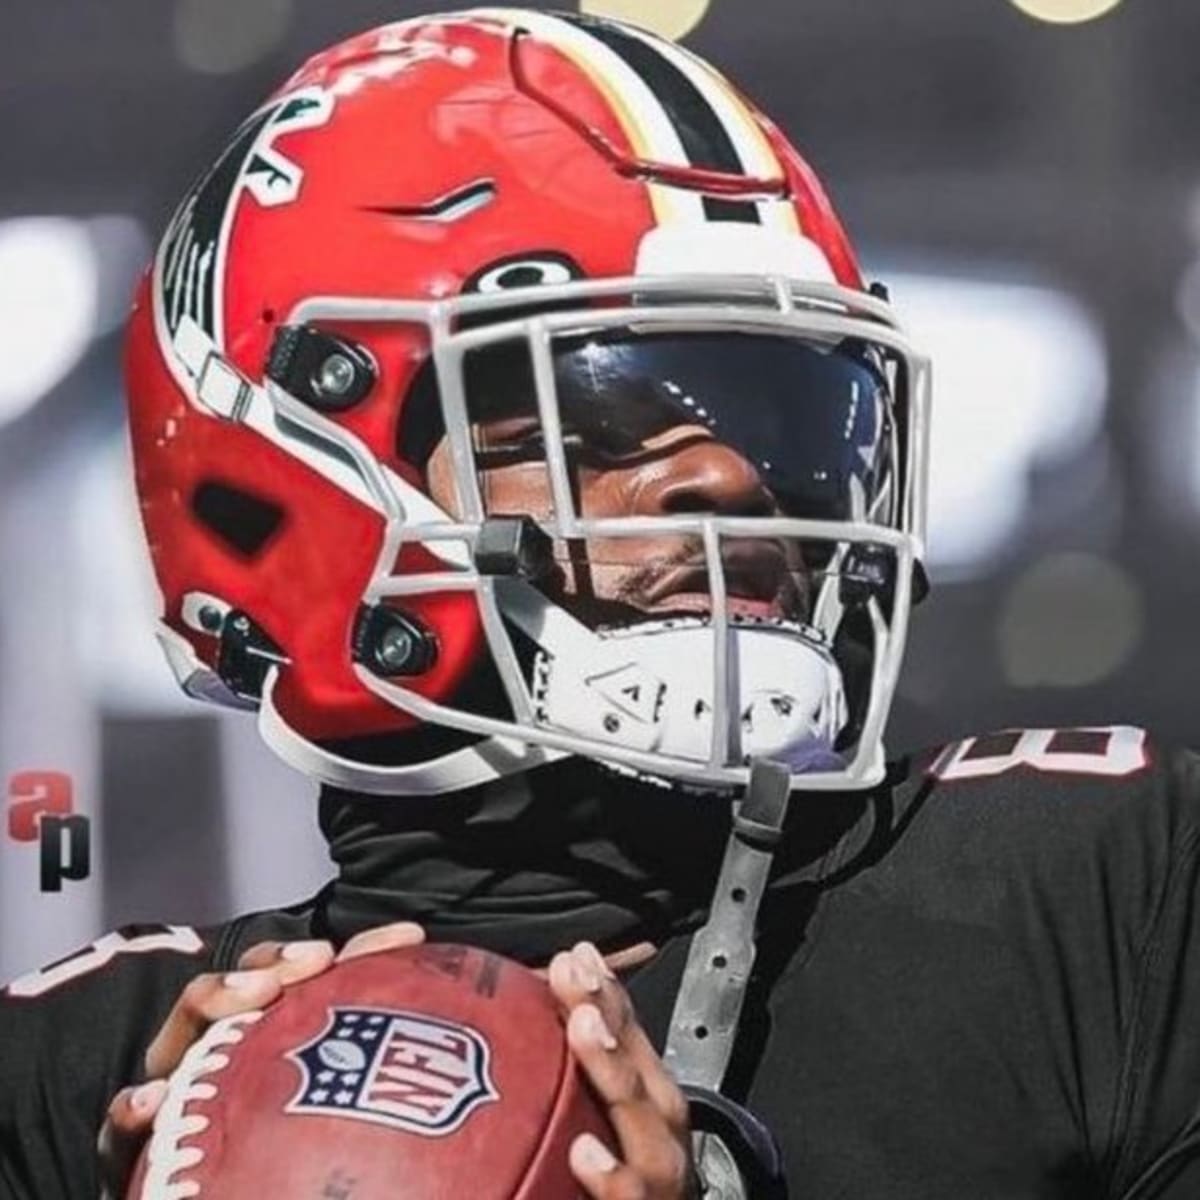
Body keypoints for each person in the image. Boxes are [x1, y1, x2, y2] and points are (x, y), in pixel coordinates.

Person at [4, 7, 1200, 1198]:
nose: (730, 479)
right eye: (585, 424)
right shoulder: (71, 1078)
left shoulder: (1097, 903)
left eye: (780, 420)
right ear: (286, 486)